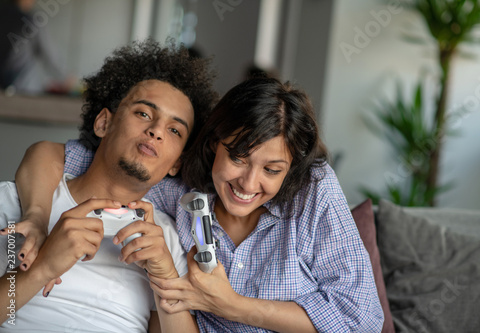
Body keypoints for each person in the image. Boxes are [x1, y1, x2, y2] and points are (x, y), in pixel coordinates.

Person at [10, 78, 384, 332]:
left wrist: (230, 304)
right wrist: (37, 218)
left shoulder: (311, 190)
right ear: (212, 146)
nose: (249, 184)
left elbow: (362, 317)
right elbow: (63, 159)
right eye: (238, 158)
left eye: (272, 169)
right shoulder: (174, 191)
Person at [0, 38, 218, 332]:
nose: (155, 131)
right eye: (143, 113)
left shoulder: (166, 240)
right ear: (103, 123)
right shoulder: (15, 206)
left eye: (174, 130)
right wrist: (41, 269)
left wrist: (165, 278)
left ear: (176, 164)